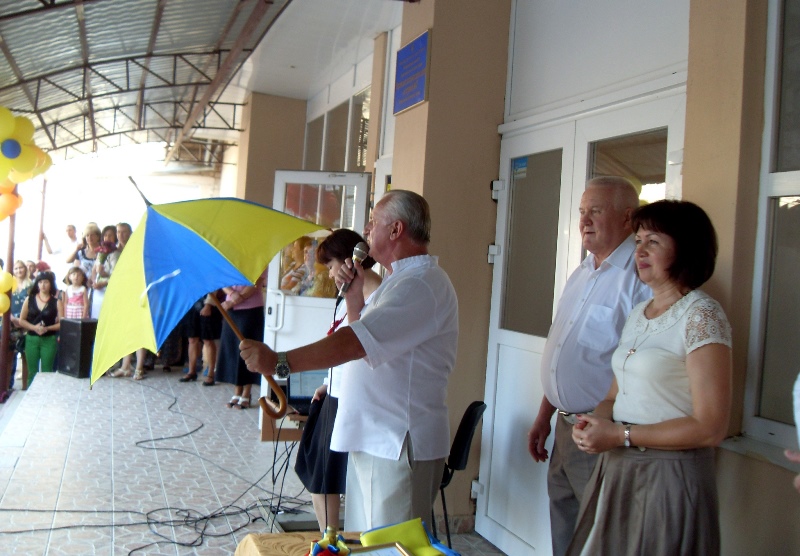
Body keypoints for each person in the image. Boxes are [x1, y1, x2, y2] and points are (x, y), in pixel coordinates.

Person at [240, 189, 458, 532]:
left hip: (397, 440)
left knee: (390, 546)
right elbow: (365, 343)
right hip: (376, 438)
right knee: (366, 542)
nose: (366, 229)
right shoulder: (397, 281)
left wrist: (279, 362)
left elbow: (354, 344)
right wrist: (354, 300)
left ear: (396, 230)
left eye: (374, 221)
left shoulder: (419, 284)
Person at [566, 200, 732, 555]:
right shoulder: (640, 312)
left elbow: (711, 427)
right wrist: (596, 423)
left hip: (670, 473)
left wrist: (620, 435)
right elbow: (614, 394)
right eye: (638, 241)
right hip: (620, 465)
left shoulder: (702, 315)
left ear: (685, 248)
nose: (639, 251)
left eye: (653, 242)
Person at [526, 176, 650, 556]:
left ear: (627, 218)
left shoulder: (638, 278)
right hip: (565, 431)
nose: (584, 221)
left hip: (600, 435)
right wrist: (545, 416)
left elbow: (638, 365)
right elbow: (564, 353)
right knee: (565, 534)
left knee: (598, 539)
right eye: (582, 212)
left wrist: (600, 425)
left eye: (595, 211)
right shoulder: (582, 273)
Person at [293, 229, 382, 533]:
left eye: (331, 266)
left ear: (348, 261)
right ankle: (328, 537)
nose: (330, 275)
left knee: (326, 478)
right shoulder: (350, 297)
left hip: (353, 400)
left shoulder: (378, 298)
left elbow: (360, 351)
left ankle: (330, 540)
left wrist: (281, 362)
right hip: (336, 394)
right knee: (317, 473)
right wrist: (327, 384)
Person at [217, 273, 267, 409]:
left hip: (251, 310)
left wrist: (235, 300)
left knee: (248, 350)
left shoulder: (258, 262)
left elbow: (257, 283)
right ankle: (237, 391)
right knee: (233, 349)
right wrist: (231, 293)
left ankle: (246, 393)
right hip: (231, 309)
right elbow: (223, 279)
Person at [18, 271, 64, 387]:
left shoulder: (56, 302)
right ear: (37, 284)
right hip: (32, 338)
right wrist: (34, 327)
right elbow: (21, 320)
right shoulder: (29, 300)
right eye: (40, 282)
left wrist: (47, 328)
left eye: (46, 282)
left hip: (49, 339)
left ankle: (45, 393)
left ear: (51, 284)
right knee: (32, 371)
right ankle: (30, 393)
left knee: (47, 370)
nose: (43, 285)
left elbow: (62, 323)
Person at [178, 291, 223, 386]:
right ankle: (191, 371)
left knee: (208, 340)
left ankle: (211, 373)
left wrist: (208, 305)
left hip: (208, 304)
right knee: (192, 339)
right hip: (191, 304)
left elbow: (213, 287)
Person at [8, 260, 32, 390]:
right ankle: (8, 385)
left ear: (25, 269)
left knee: (25, 356)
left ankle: (25, 386)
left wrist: (23, 320)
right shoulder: (9, 284)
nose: (18, 271)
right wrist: (11, 318)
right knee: (10, 354)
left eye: (21, 268)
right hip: (11, 323)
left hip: (26, 323)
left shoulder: (31, 285)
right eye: (16, 268)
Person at [90, 225, 119, 319]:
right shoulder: (101, 252)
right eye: (105, 235)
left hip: (108, 289)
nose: (107, 238)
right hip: (98, 289)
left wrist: (104, 277)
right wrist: (93, 281)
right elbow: (94, 269)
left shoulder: (116, 253)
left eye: (110, 235)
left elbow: (116, 275)